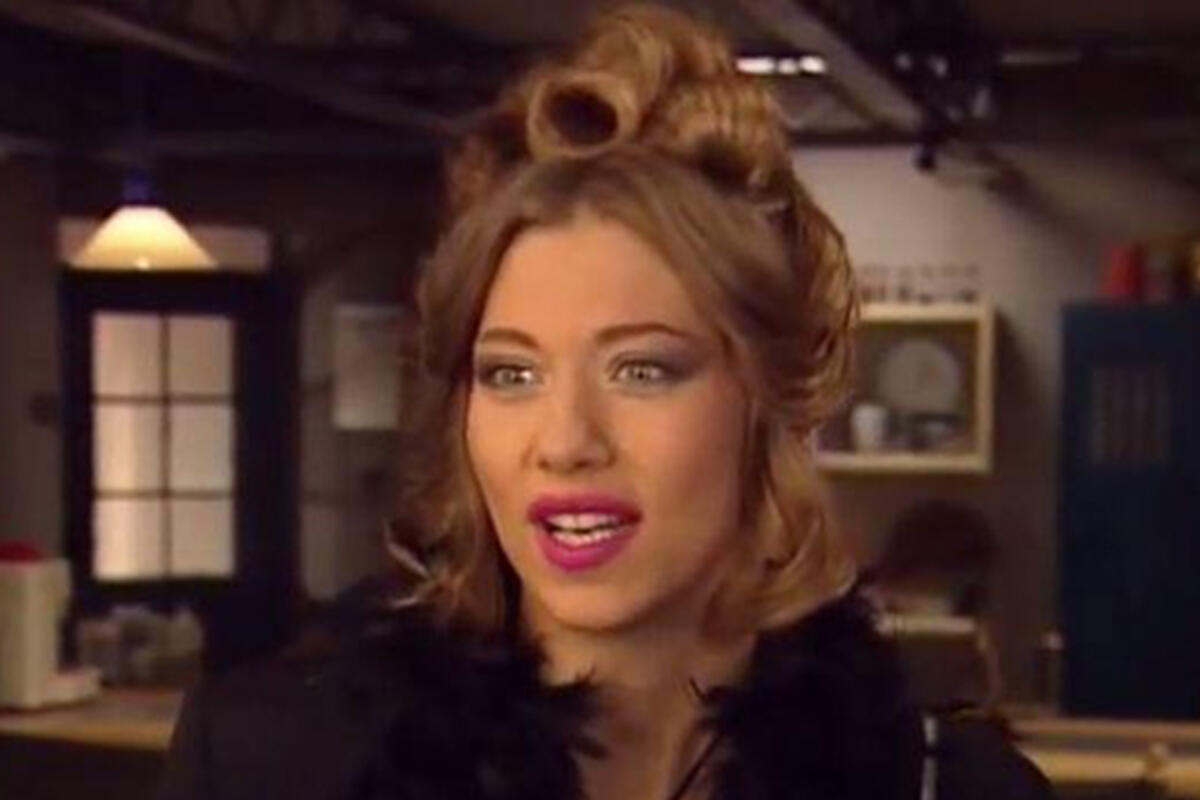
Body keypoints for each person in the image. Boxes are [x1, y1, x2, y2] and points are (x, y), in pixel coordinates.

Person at [155, 5, 1052, 799]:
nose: (565, 441)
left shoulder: (946, 790)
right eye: (511, 375)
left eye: (642, 370)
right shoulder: (266, 766)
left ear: (771, 401)